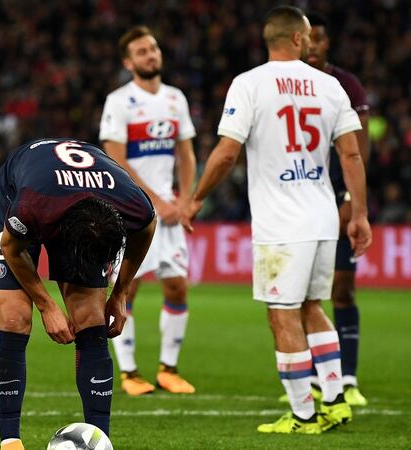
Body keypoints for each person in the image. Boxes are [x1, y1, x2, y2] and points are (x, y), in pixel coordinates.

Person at [181, 6, 371, 434]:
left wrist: (196, 199)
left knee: (282, 314)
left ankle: (304, 414)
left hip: (282, 223)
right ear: (299, 39)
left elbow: (227, 152)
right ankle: (336, 399)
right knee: (312, 308)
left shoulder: (249, 84)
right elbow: (352, 153)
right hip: (324, 216)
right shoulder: (330, 86)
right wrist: (358, 214)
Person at [0, 138, 157, 450]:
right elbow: (11, 248)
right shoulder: (31, 205)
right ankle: (10, 442)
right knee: (15, 317)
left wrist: (119, 293)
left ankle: (99, 441)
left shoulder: (131, 202)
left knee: (91, 321)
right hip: (20, 190)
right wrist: (46, 305)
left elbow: (147, 229)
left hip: (86, 201)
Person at [99, 25, 197, 396]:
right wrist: (158, 202)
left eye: (153, 48)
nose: (151, 55)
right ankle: (129, 373)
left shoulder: (176, 98)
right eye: (141, 52)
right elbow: (116, 158)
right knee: (127, 286)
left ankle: (168, 370)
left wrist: (185, 200)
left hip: (171, 211)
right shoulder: (119, 101)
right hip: (132, 210)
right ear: (129, 62)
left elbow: (186, 153)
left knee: (177, 286)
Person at [302, 11, 370, 406]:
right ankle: (314, 378)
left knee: (342, 290)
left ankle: (349, 378)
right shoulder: (285, 85)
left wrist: (351, 199)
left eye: (320, 38)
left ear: (327, 44)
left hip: (339, 201)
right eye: (307, 37)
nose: (313, 44)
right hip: (303, 203)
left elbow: (360, 148)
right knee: (303, 296)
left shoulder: (345, 85)